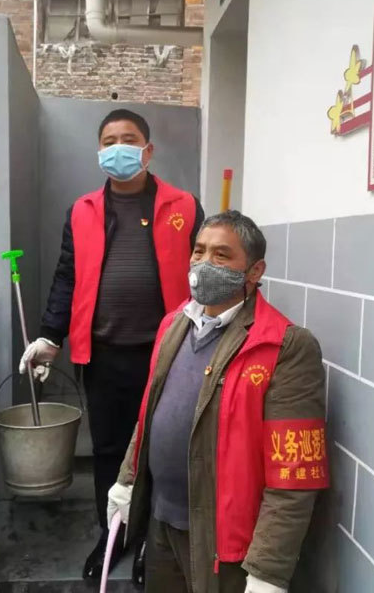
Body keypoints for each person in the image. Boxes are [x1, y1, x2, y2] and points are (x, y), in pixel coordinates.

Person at [19, 108, 204, 581]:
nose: (118, 147)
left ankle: (151, 541)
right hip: (102, 355)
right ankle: (113, 534)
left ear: (148, 149)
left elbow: (201, 275)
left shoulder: (184, 206)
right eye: (109, 140)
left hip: (167, 356)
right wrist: (50, 335)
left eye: (129, 138)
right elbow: (67, 276)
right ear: (99, 150)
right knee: (108, 449)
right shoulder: (82, 211)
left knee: (161, 448)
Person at [107, 210, 329, 593]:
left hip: (224, 549)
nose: (204, 263)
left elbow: (293, 474)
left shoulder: (283, 347)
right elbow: (151, 414)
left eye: (221, 255)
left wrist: (267, 569)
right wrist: (128, 480)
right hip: (161, 525)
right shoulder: (174, 324)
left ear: (255, 271)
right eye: (199, 251)